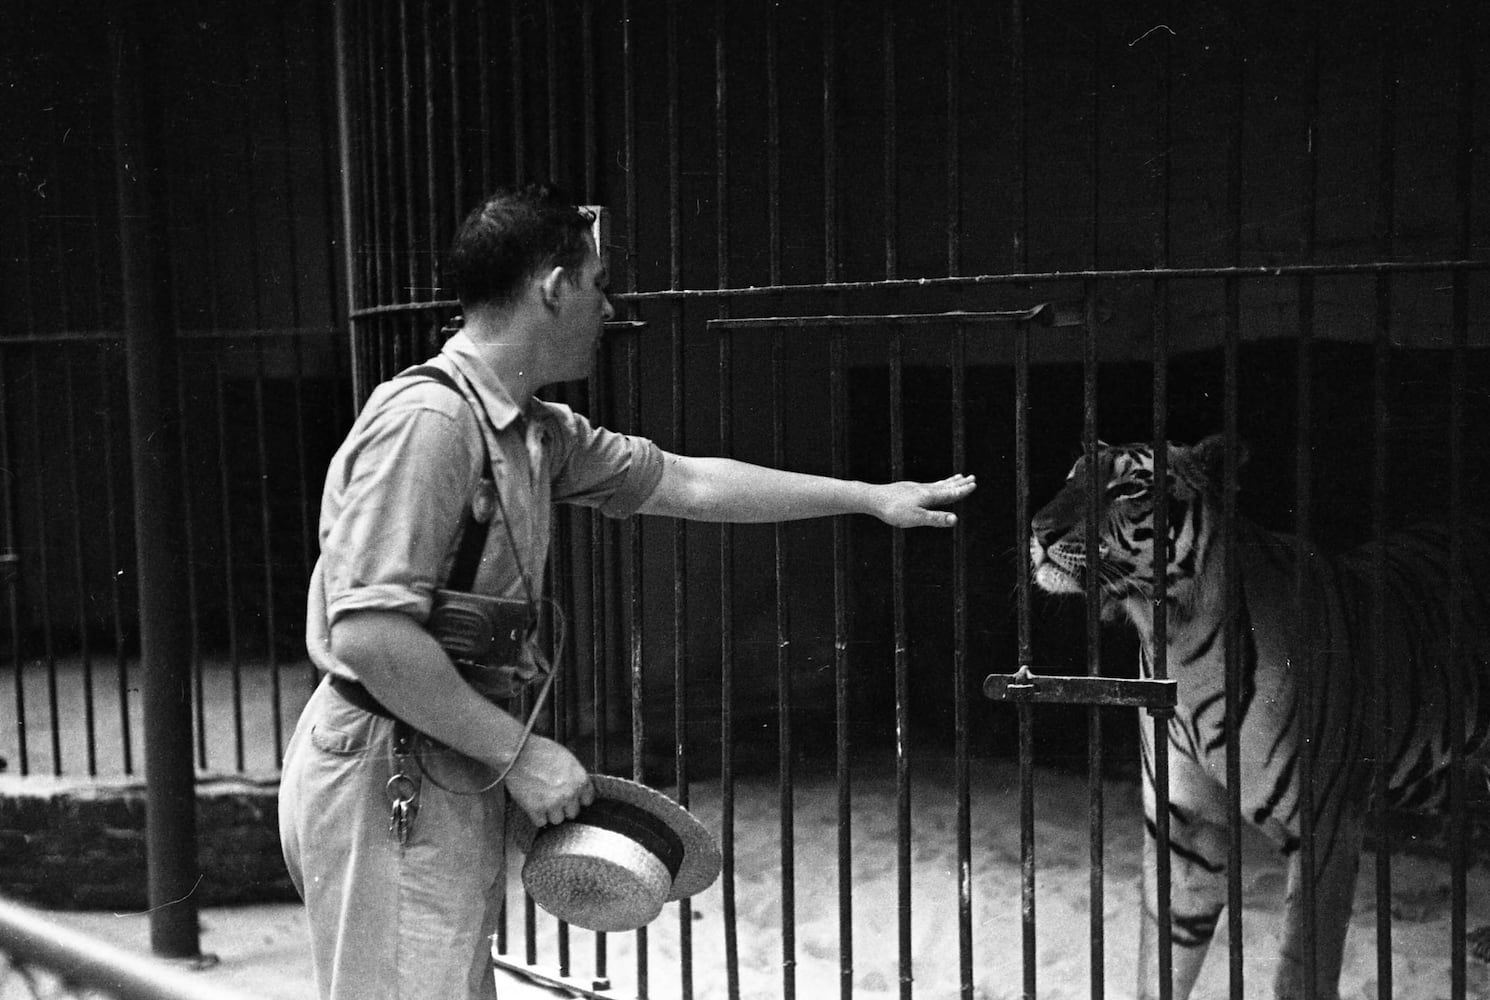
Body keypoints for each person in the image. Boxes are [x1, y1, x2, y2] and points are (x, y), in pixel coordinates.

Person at [278, 183, 977, 1000]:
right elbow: (370, 636)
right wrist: (521, 752)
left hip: (439, 761)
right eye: (599, 283)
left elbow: (688, 482)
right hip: (391, 768)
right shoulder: (432, 423)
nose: (610, 306)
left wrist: (867, 496)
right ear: (553, 286)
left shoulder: (533, 429)